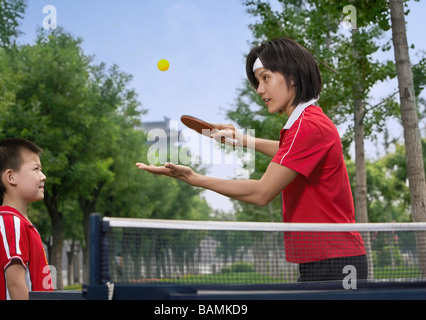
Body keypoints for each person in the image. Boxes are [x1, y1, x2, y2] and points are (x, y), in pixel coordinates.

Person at [136, 38, 367, 282]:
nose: (259, 90)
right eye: (257, 81)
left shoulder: (307, 126)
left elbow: (261, 193)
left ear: (293, 76)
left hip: (335, 264)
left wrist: (196, 179)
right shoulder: (309, 123)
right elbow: (291, 151)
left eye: (265, 78)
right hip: (325, 260)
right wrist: (242, 139)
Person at [0, 137, 53, 300]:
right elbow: (16, 285)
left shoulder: (21, 223)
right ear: (11, 177)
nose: (43, 176)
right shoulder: (11, 223)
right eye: (36, 169)